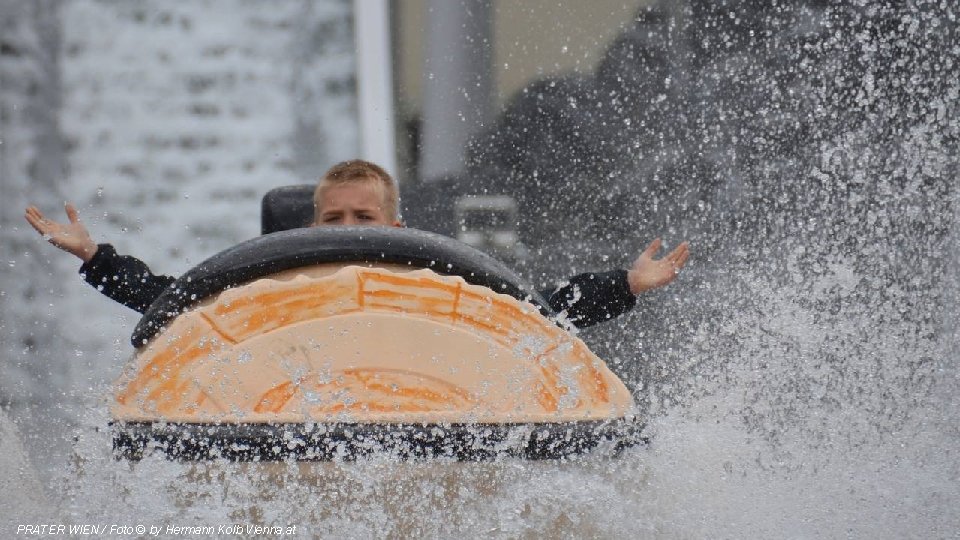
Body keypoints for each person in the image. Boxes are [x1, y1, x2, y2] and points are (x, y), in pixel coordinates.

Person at [24, 159, 689, 328]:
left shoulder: (431, 284)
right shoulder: (272, 286)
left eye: (362, 216)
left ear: (395, 228)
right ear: (308, 229)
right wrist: (95, 257)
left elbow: (533, 314)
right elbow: (172, 302)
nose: (348, 230)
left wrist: (625, 284)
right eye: (333, 218)